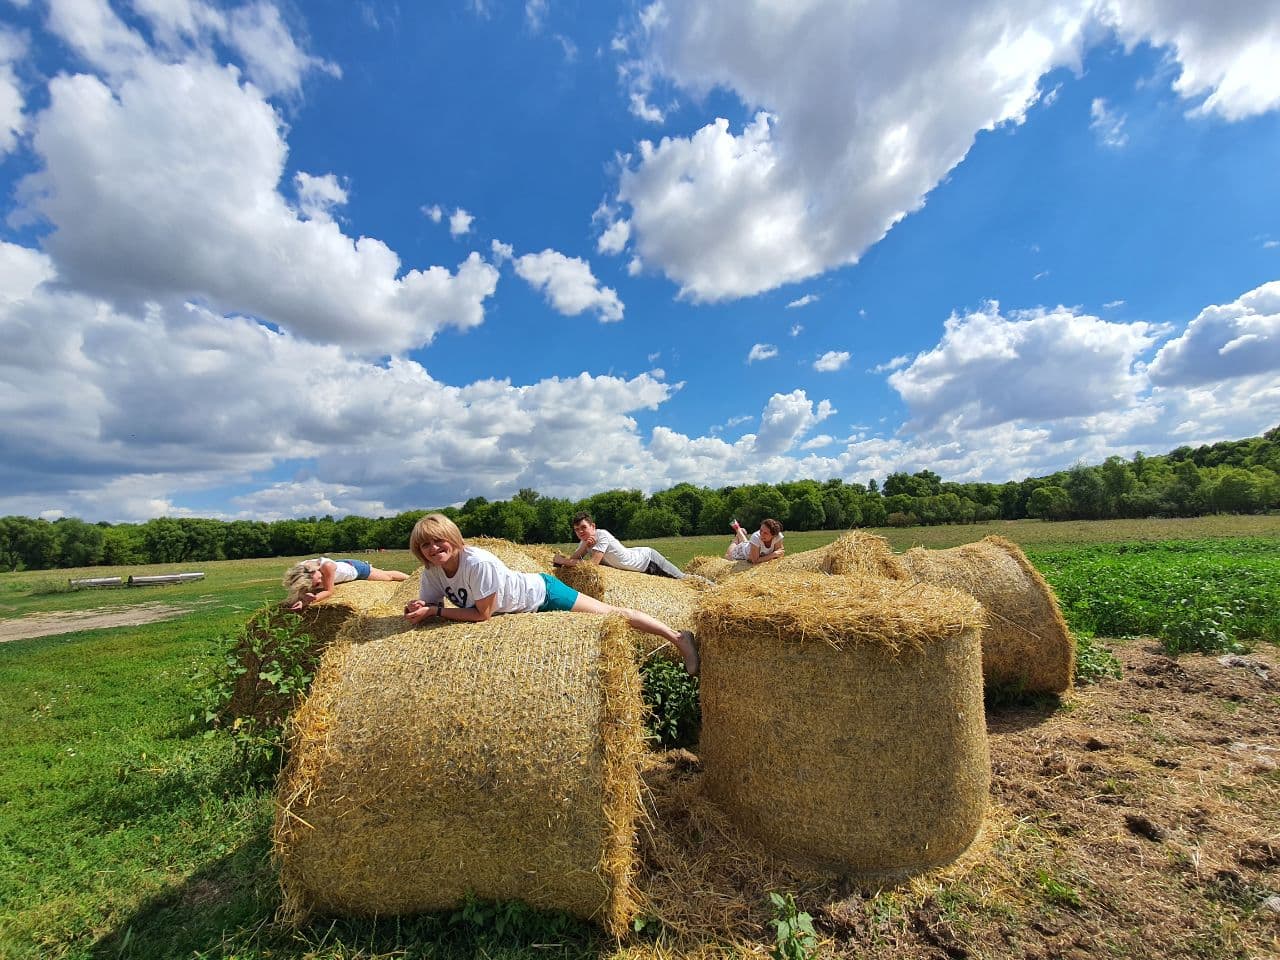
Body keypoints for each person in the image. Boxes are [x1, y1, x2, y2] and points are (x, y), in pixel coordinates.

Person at [404, 513, 699, 675]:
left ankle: (678, 638)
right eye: (425, 546)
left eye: (438, 541)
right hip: (521, 610)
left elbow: (482, 615)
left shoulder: (477, 563)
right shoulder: (432, 570)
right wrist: (420, 606)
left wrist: (437, 612)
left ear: (453, 538)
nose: (433, 549)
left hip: (543, 594)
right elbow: (429, 602)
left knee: (613, 615)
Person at [553, 512, 689, 579]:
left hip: (648, 560)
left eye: (583, 527)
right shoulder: (585, 540)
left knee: (682, 579)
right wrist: (583, 546)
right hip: (637, 563)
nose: (580, 532)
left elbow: (592, 565)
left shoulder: (602, 535)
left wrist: (562, 560)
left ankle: (710, 586)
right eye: (577, 530)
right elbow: (575, 558)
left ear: (593, 526)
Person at [283, 556, 408, 611]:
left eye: (317, 582)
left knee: (388, 577)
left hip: (356, 569)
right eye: (316, 585)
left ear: (312, 571)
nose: (320, 582)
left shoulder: (327, 567)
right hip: (341, 565)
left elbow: (329, 591)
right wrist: (300, 600)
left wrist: (313, 599)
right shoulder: (301, 570)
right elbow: (300, 590)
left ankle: (412, 578)